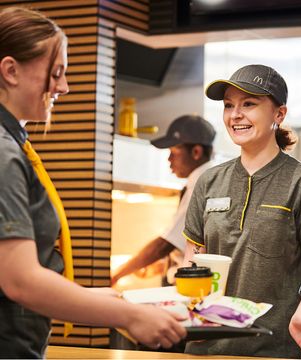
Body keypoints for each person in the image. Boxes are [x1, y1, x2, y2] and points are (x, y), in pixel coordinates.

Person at [0, 7, 186, 358]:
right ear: (10, 71)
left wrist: (105, 298)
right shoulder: (3, 154)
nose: (64, 88)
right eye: (56, 73)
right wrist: (129, 315)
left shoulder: (13, 146)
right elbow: (20, 281)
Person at [182, 64, 301, 359]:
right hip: (204, 350)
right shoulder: (208, 181)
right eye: (229, 105)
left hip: (273, 349)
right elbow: (191, 260)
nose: (235, 115)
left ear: (279, 114)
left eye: (249, 104)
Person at [111, 115, 216, 286]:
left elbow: (164, 244)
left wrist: (117, 274)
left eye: (173, 152)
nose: (169, 160)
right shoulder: (207, 180)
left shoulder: (202, 184)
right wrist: (163, 265)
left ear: (196, 152)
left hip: (191, 287)